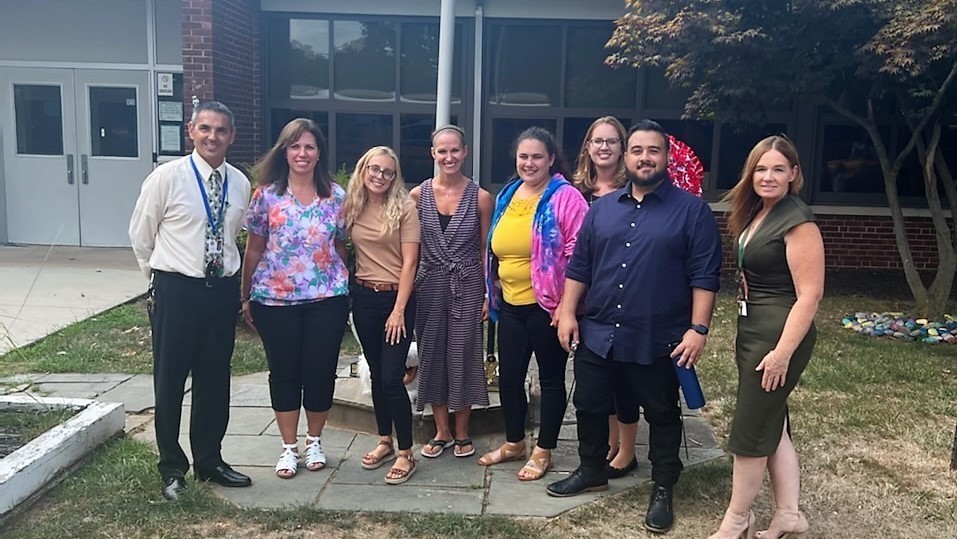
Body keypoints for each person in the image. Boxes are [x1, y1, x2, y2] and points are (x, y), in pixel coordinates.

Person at [547, 120, 722, 536]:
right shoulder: (602, 209)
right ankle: (592, 469)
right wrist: (568, 312)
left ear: (666, 157)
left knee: (661, 413)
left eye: (653, 150)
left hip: (657, 336)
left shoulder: (692, 212)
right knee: (589, 404)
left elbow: (704, 275)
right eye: (638, 150)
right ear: (626, 157)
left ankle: (663, 484)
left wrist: (698, 329)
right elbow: (580, 266)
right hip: (599, 331)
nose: (645, 158)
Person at [129, 101, 252, 500]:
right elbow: (141, 234)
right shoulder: (167, 177)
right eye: (205, 129)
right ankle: (171, 468)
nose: (213, 137)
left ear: (231, 136)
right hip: (176, 290)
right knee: (170, 380)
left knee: (215, 379)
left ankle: (209, 460)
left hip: (220, 292)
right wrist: (159, 279)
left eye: (221, 130)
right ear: (191, 131)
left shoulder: (240, 183)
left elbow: (233, 233)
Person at [708, 136, 822, 539]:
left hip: (778, 336)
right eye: (760, 169)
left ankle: (737, 519)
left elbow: (810, 295)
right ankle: (789, 514)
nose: (768, 176)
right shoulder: (761, 211)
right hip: (754, 329)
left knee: (750, 431)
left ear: (794, 174)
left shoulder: (798, 220)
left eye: (778, 169)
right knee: (773, 423)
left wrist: (781, 354)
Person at [240, 118, 349, 479]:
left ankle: (314, 440)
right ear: (284, 152)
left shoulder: (336, 196)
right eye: (295, 146)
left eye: (309, 147)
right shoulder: (266, 195)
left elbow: (340, 245)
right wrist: (245, 296)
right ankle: (288, 447)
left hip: (326, 298)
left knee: (320, 372)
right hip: (275, 300)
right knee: (284, 372)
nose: (302, 153)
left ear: (319, 153)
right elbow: (254, 248)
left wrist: (346, 283)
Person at [478, 127, 588, 481]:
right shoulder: (508, 193)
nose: (529, 163)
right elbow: (494, 246)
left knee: (550, 381)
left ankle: (544, 451)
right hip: (509, 304)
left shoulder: (566, 197)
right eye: (523, 156)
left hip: (549, 307)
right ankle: (514, 443)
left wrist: (567, 308)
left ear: (551, 159)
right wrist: (490, 290)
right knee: (509, 379)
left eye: (537, 156)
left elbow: (578, 254)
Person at [411, 125, 494, 459]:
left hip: (467, 283)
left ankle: (462, 431)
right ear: (433, 154)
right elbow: (411, 248)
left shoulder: (481, 197)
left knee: (463, 354)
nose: (449, 157)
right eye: (442, 151)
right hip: (429, 283)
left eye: (455, 150)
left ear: (465, 152)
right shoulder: (417, 196)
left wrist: (487, 293)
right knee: (432, 355)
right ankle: (441, 430)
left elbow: (485, 249)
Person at [343, 146, 421, 484]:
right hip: (363, 297)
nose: (380, 176)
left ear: (395, 177)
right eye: (375, 169)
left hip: (396, 299)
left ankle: (406, 452)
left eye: (388, 172)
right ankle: (384, 441)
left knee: (391, 377)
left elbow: (411, 263)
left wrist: (399, 310)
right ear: (364, 169)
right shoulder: (353, 205)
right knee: (376, 373)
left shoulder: (405, 208)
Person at [571, 116, 641, 479]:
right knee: (598, 380)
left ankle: (627, 450)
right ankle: (610, 442)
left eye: (612, 141)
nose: (604, 147)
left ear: (622, 149)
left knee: (624, 380)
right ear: (587, 147)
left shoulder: (635, 191)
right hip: (586, 296)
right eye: (597, 141)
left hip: (623, 295)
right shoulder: (575, 192)